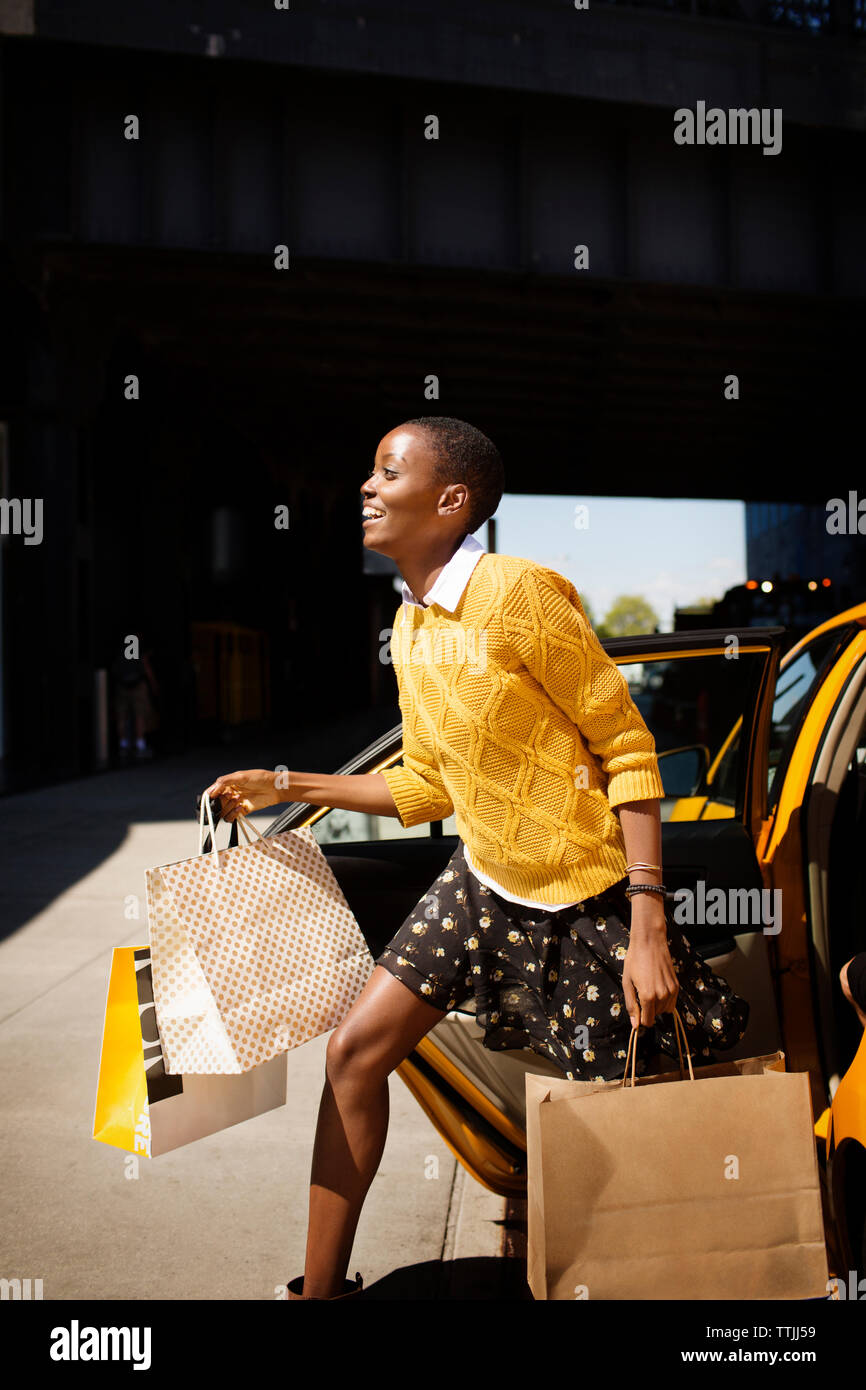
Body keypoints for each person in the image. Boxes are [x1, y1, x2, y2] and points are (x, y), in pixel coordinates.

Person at [205, 416, 749, 1301]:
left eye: (388, 472)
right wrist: (287, 782)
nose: (367, 489)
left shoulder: (519, 594)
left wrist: (648, 924)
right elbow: (427, 784)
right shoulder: (412, 627)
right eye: (371, 474)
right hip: (480, 878)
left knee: (619, 1126)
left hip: (588, 896)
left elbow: (629, 747)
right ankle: (319, 1290)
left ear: (452, 500)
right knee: (354, 1054)